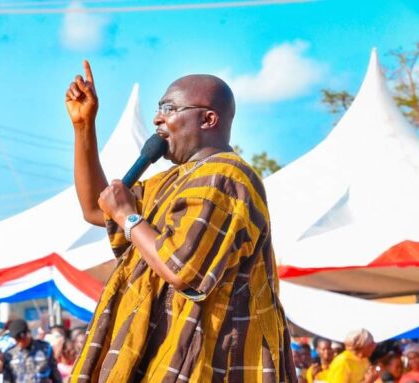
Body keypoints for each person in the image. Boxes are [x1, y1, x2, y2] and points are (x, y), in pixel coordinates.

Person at [65, 60, 296, 382]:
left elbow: (182, 270)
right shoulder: (170, 181)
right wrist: (83, 127)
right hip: (167, 351)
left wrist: (127, 216)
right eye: (159, 108)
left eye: (170, 108)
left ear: (208, 119)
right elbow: (94, 207)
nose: (158, 118)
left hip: (206, 360)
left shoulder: (227, 175)